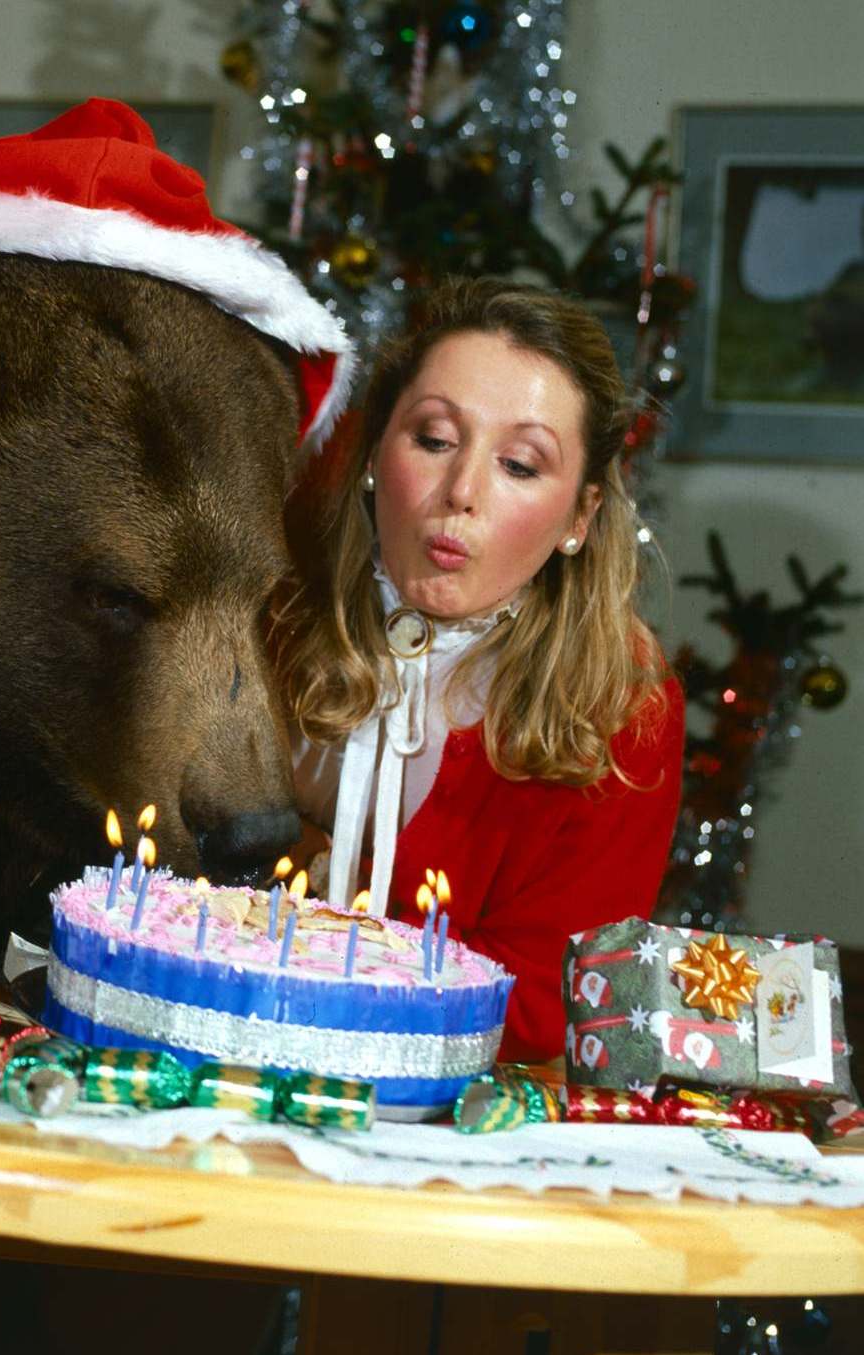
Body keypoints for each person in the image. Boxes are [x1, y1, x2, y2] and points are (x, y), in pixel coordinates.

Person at [272, 277, 686, 1062]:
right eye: (433, 439)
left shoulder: (622, 704)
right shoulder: (263, 616)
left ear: (579, 516)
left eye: (519, 465)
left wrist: (317, 877)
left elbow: (550, 1005)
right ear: (373, 454)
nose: (460, 493)